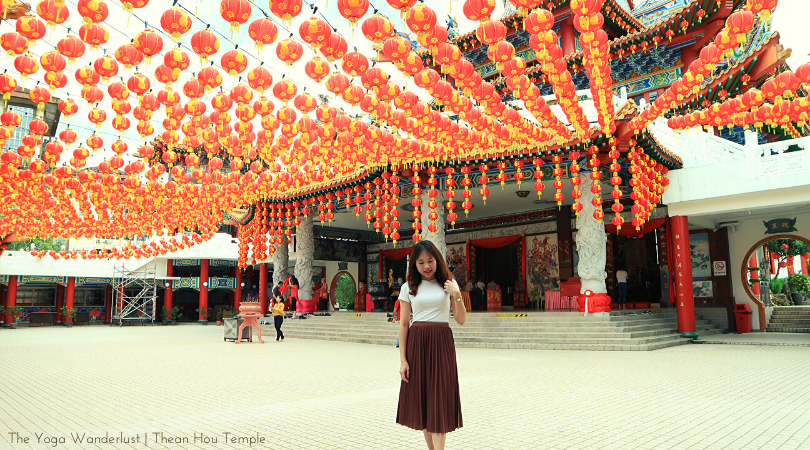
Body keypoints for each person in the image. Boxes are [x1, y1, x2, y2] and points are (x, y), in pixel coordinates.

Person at [397, 240, 466, 450]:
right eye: (421, 262)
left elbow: (461, 320)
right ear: (414, 265)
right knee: (425, 403)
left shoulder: (448, 284)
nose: (426, 266)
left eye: (430, 260)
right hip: (417, 344)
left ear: (437, 260)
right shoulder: (408, 287)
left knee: (439, 402)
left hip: (441, 343)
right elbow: (403, 324)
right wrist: (403, 361)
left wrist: (457, 294)